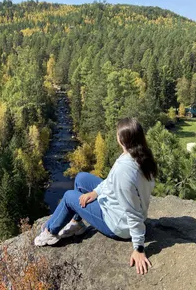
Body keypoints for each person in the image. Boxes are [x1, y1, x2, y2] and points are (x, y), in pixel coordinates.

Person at [34, 117, 158, 275]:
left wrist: (139, 248)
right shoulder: (140, 155)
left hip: (118, 224)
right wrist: (96, 192)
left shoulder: (124, 171)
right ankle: (76, 224)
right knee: (80, 178)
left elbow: (132, 212)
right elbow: (112, 182)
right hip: (117, 209)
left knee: (69, 197)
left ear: (121, 139)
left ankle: (50, 232)